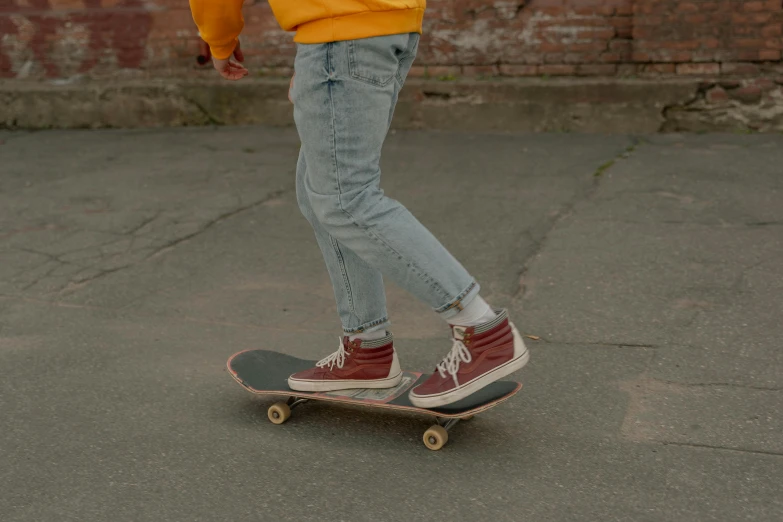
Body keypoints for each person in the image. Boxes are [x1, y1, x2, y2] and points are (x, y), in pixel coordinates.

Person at [189, 0, 529, 408]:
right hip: (379, 26)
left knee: (344, 198)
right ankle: (367, 348)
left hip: (342, 31)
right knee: (319, 193)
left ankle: (484, 331)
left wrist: (219, 39)